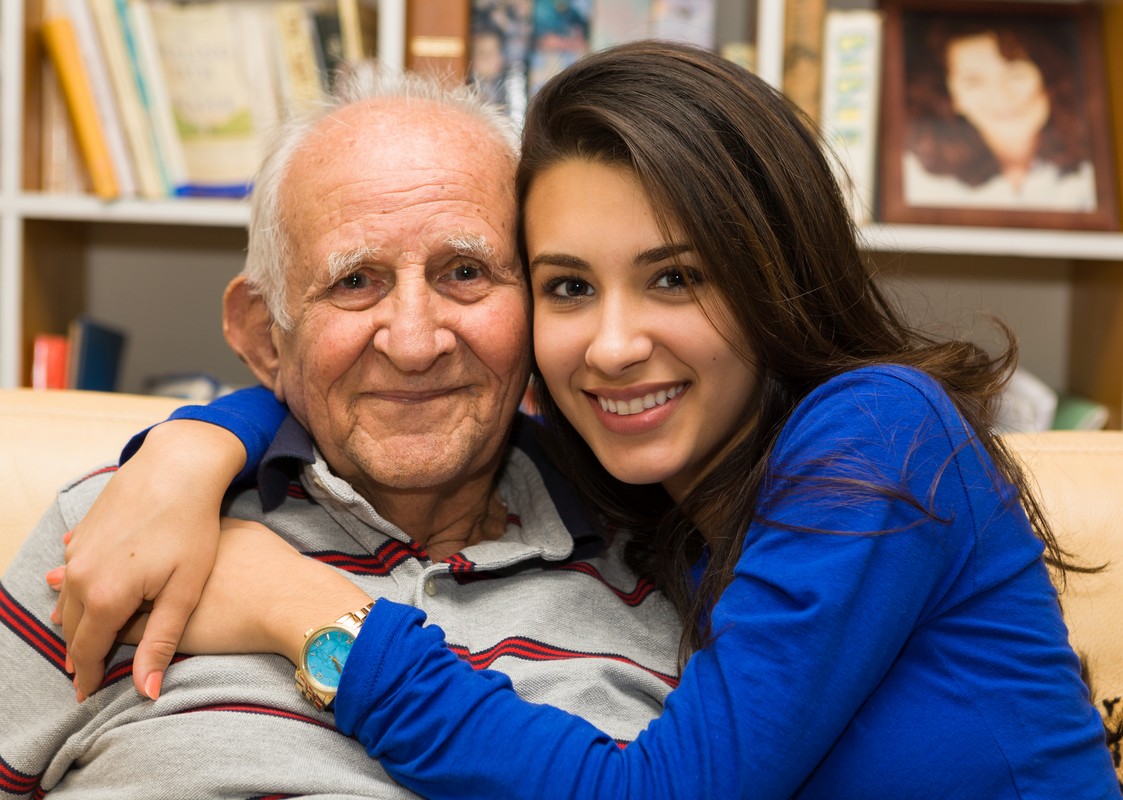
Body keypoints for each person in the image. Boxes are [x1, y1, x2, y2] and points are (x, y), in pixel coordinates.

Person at [52, 41, 1121, 797]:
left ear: (773, 277)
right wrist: (201, 442)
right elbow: (390, 387)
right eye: (567, 286)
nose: (610, 345)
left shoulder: (878, 434)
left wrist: (308, 613)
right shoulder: (634, 496)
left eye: (674, 277)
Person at [0, 62, 683, 798]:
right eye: (355, 281)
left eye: (465, 271)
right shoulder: (122, 529)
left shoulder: (666, 563)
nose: (415, 343)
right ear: (265, 335)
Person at [902, 14, 1097, 211]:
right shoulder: (916, 177)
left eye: (1015, 75)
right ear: (953, 98)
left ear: (1047, 80)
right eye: (973, 82)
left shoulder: (1095, 170)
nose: (1001, 97)